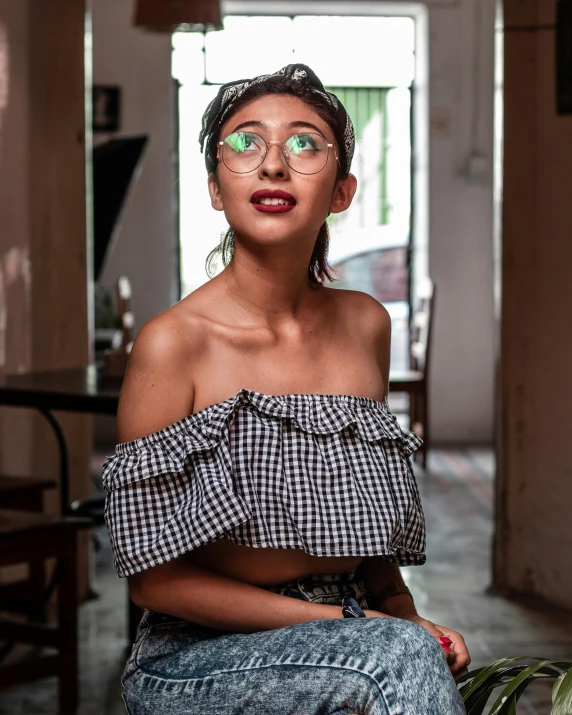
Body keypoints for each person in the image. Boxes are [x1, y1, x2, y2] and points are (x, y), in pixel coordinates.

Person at [102, 64, 470, 715]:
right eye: (245, 143)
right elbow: (156, 582)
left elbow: (369, 535)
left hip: (351, 624)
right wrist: (355, 627)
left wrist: (405, 613)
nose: (273, 164)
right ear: (217, 187)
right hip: (196, 655)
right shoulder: (173, 343)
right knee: (396, 664)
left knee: (416, 658)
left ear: (341, 191)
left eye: (304, 144)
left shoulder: (365, 325)